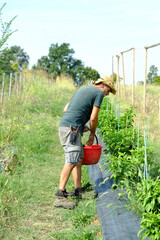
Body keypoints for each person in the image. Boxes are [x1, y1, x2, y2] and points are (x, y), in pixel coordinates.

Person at [54, 76, 116, 209]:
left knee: (79, 159)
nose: (107, 94)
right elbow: (93, 117)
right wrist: (92, 134)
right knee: (71, 160)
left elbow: (66, 109)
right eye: (108, 91)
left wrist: (81, 123)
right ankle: (60, 196)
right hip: (72, 130)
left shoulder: (81, 90)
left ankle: (78, 190)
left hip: (69, 127)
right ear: (103, 86)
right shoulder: (98, 93)